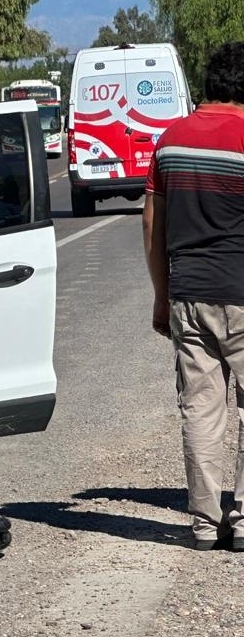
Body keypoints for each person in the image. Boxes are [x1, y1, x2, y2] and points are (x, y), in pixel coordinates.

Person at [143, 41, 244, 551]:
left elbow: (152, 223)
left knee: (201, 411)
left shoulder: (170, 140)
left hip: (188, 294)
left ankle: (204, 525)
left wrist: (162, 295)